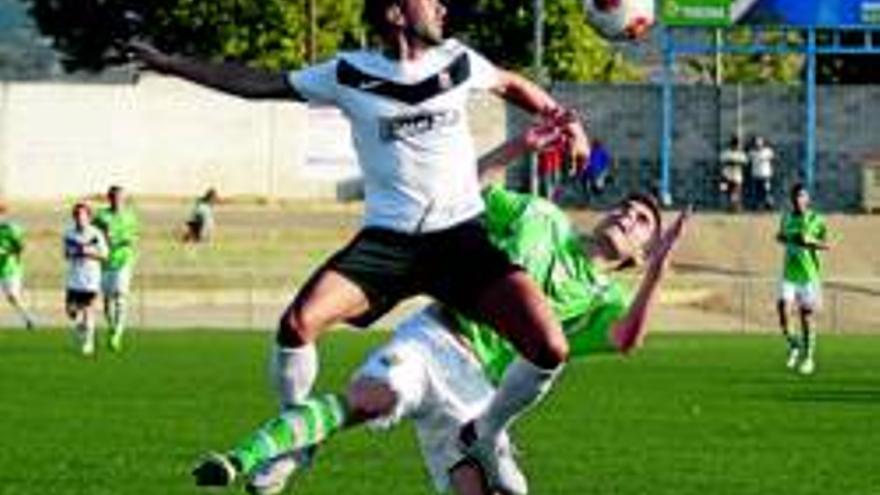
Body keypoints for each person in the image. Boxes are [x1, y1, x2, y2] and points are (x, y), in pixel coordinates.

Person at [130, 0, 591, 484]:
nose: (440, 6)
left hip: (460, 240)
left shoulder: (457, 61)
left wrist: (567, 120)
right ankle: (297, 443)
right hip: (388, 243)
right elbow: (258, 84)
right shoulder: (348, 73)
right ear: (395, 13)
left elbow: (512, 83)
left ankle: (486, 431)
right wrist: (171, 64)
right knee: (297, 324)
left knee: (549, 347)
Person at [190, 119, 689, 495]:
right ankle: (246, 457)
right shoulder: (542, 216)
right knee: (368, 400)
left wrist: (657, 277)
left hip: (480, 393)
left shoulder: (607, 300)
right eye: (626, 206)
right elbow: (466, 190)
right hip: (434, 340)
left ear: (641, 253)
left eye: (644, 220)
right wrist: (520, 145)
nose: (628, 214)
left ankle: (476, 437)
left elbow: (626, 339)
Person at [775, 183, 830, 375]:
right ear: (792, 199)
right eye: (796, 196)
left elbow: (827, 244)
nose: (799, 200)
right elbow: (781, 237)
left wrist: (809, 242)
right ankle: (794, 343)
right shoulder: (787, 217)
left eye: (802, 196)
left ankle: (808, 359)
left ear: (807, 199)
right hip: (789, 273)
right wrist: (783, 238)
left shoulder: (816, 219)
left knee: (806, 316)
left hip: (808, 275)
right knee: (782, 310)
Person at [92, 185, 139, 351]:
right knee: (107, 300)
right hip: (105, 262)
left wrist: (121, 241)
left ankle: (117, 335)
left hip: (123, 260)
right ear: (109, 198)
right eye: (113, 197)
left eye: (120, 197)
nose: (117, 200)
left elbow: (133, 238)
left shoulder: (130, 217)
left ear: (124, 199)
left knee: (120, 297)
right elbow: (92, 236)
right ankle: (112, 327)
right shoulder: (101, 216)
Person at [63, 202, 109, 357]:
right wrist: (74, 252)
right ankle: (81, 326)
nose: (79, 218)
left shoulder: (96, 234)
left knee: (89, 310)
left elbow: (104, 255)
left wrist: (88, 252)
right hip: (74, 278)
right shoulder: (69, 233)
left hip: (90, 279)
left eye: (82, 215)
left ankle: (88, 343)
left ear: (88, 217)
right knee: (71, 312)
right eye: (76, 215)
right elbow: (66, 254)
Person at [0, 203, 36, 330]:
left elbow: (21, 247)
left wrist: (7, 252)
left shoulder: (10, 229)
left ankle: (28, 319)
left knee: (12, 297)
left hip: (10, 269)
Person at [718, 134, 747, 211]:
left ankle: (735, 207)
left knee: (735, 192)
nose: (735, 146)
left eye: (736, 144)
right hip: (726, 176)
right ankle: (729, 206)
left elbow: (744, 163)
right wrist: (731, 162)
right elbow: (722, 162)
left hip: (737, 176)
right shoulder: (726, 153)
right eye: (734, 144)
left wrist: (736, 162)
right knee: (725, 192)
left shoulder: (741, 154)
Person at [748, 135, 775, 210]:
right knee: (757, 192)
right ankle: (757, 205)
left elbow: (772, 158)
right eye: (757, 145)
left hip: (765, 175)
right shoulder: (752, 152)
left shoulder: (767, 151)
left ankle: (769, 204)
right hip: (756, 175)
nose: (758, 146)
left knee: (767, 191)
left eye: (760, 144)